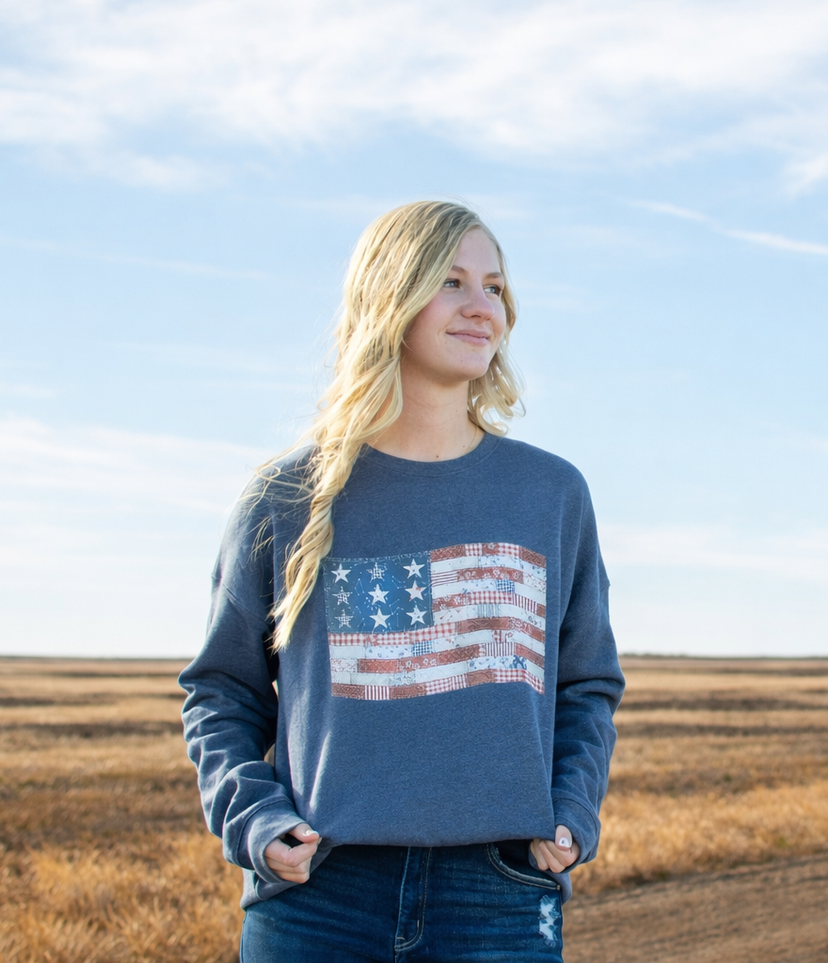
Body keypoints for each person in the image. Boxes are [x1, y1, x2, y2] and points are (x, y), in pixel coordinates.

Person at [179, 200, 624, 962]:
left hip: (499, 893)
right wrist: (253, 819)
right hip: (320, 895)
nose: (482, 306)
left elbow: (585, 685)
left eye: (494, 286)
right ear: (390, 296)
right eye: (452, 281)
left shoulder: (549, 494)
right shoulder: (286, 497)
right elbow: (222, 691)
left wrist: (571, 812)